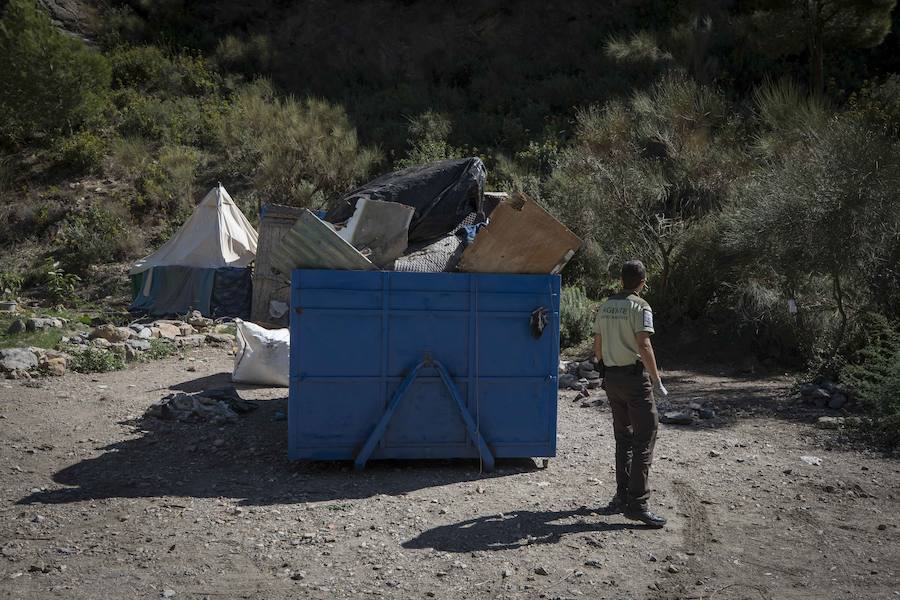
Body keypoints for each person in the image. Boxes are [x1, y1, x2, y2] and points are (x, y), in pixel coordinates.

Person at [593, 260, 668, 528]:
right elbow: (644, 343)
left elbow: (598, 345)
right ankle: (638, 504)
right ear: (642, 282)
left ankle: (622, 495)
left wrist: (605, 366)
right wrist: (657, 381)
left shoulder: (605, 306)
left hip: (611, 378)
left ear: (621, 281)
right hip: (635, 380)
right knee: (645, 436)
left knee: (623, 437)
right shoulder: (641, 306)